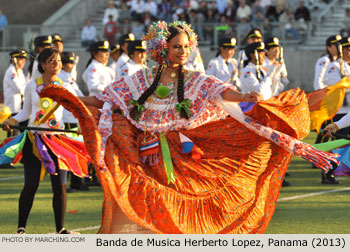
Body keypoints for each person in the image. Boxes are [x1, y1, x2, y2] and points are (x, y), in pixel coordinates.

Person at [64, 21, 331, 233]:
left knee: (183, 203)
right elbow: (104, 98)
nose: (183, 51)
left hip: (180, 155)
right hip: (147, 153)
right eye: (177, 46)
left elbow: (220, 91)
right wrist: (69, 98)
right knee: (148, 202)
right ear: (162, 48)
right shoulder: (142, 78)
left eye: (185, 46)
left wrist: (244, 97)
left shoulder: (193, 79)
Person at [2, 48, 87, 234]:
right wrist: (11, 120)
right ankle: (21, 228)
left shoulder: (65, 86)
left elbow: (77, 107)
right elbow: (25, 113)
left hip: (58, 140)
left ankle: (61, 229)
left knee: (60, 186)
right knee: (31, 184)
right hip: (34, 140)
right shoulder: (32, 86)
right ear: (42, 65)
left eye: (58, 60)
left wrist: (83, 122)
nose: (56, 64)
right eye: (51, 60)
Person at [319, 36, 350, 184]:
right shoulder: (334, 66)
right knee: (337, 144)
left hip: (348, 111)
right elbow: (332, 87)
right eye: (347, 49)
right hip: (339, 111)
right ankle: (327, 173)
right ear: (341, 50)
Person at [58, 52, 88, 193]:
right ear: (63, 65)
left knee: (78, 150)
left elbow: (79, 95)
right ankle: (70, 182)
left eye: (72, 62)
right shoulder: (61, 79)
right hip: (67, 119)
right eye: (69, 63)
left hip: (74, 118)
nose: (71, 65)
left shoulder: (69, 78)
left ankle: (77, 181)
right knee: (69, 152)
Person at [1, 49, 28, 169]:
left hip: (19, 107)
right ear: (13, 59)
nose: (22, 61)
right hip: (12, 108)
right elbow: (19, 89)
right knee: (12, 135)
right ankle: (6, 160)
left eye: (23, 59)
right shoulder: (11, 71)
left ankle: (19, 157)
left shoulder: (20, 72)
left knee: (20, 134)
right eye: (20, 59)